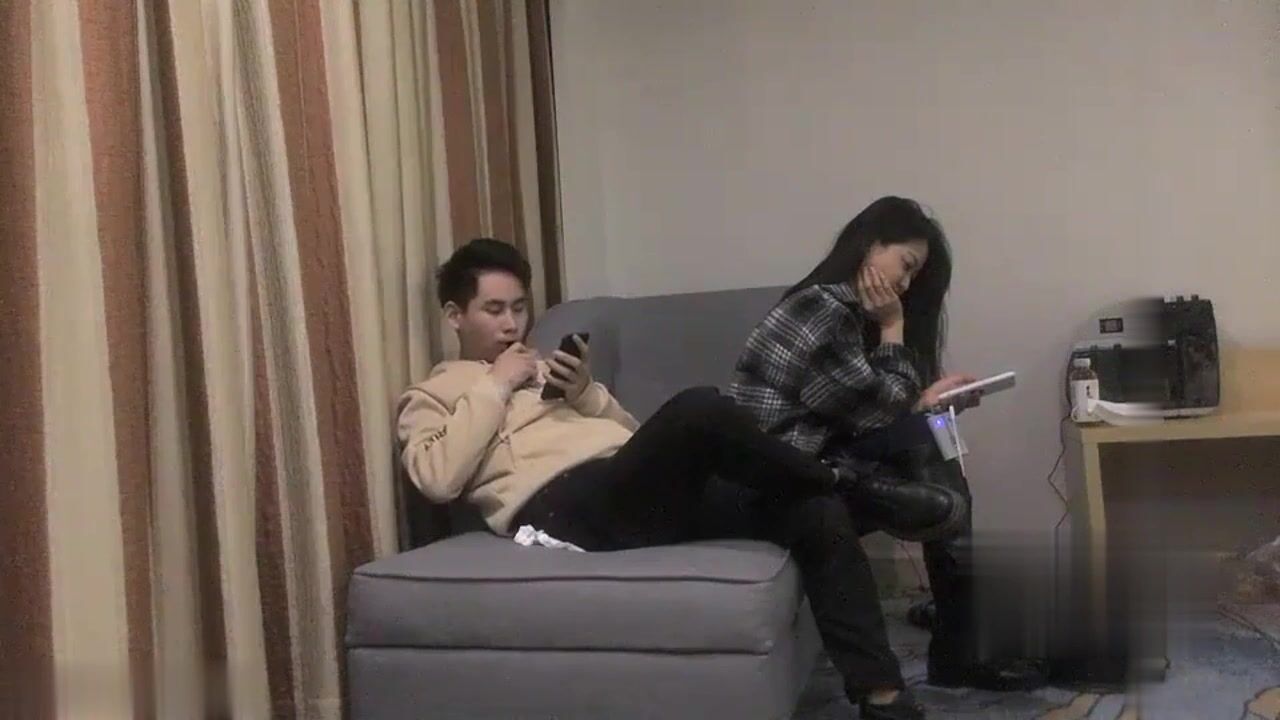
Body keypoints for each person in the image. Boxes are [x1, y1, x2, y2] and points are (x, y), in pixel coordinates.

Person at [396, 238, 962, 720]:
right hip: (563, 509)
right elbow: (437, 479)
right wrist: (495, 384)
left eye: (519, 308)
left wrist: (585, 394)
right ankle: (853, 484)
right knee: (699, 407)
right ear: (455, 315)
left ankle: (883, 699)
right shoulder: (433, 394)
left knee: (813, 510)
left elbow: (634, 436)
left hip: (632, 491)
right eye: (494, 310)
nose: (511, 324)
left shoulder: (548, 372)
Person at [729, 196, 1048, 692]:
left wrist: (926, 401)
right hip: (778, 486)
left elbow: (859, 413)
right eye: (906, 264)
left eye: (914, 274)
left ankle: (961, 628)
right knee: (931, 447)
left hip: (813, 465)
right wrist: (894, 330)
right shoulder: (820, 310)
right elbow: (876, 409)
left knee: (933, 434)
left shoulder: (842, 312)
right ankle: (960, 641)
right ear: (870, 244)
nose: (905, 284)